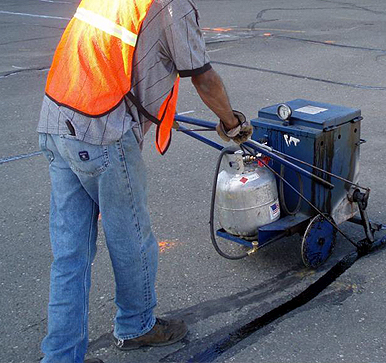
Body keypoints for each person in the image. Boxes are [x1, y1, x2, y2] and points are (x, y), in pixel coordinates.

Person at [37, 0, 252, 362]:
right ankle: (137, 325)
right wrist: (232, 123)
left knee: (70, 255)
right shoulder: (172, 5)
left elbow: (117, 56)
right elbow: (203, 76)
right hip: (102, 131)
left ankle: (59, 355)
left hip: (57, 122)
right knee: (132, 240)